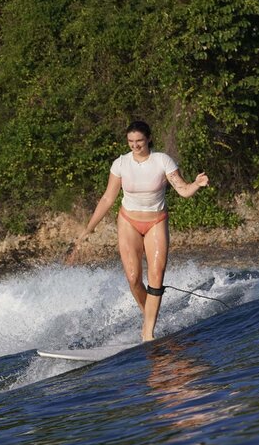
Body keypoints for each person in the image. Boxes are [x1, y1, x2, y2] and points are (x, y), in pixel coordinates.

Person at [67, 120, 210, 341]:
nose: (135, 145)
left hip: (156, 221)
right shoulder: (121, 164)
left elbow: (182, 190)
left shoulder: (162, 160)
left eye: (139, 141)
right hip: (128, 222)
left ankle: (148, 333)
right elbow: (107, 198)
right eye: (131, 141)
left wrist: (196, 185)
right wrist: (88, 230)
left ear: (149, 138)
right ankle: (149, 318)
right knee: (134, 278)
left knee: (156, 274)